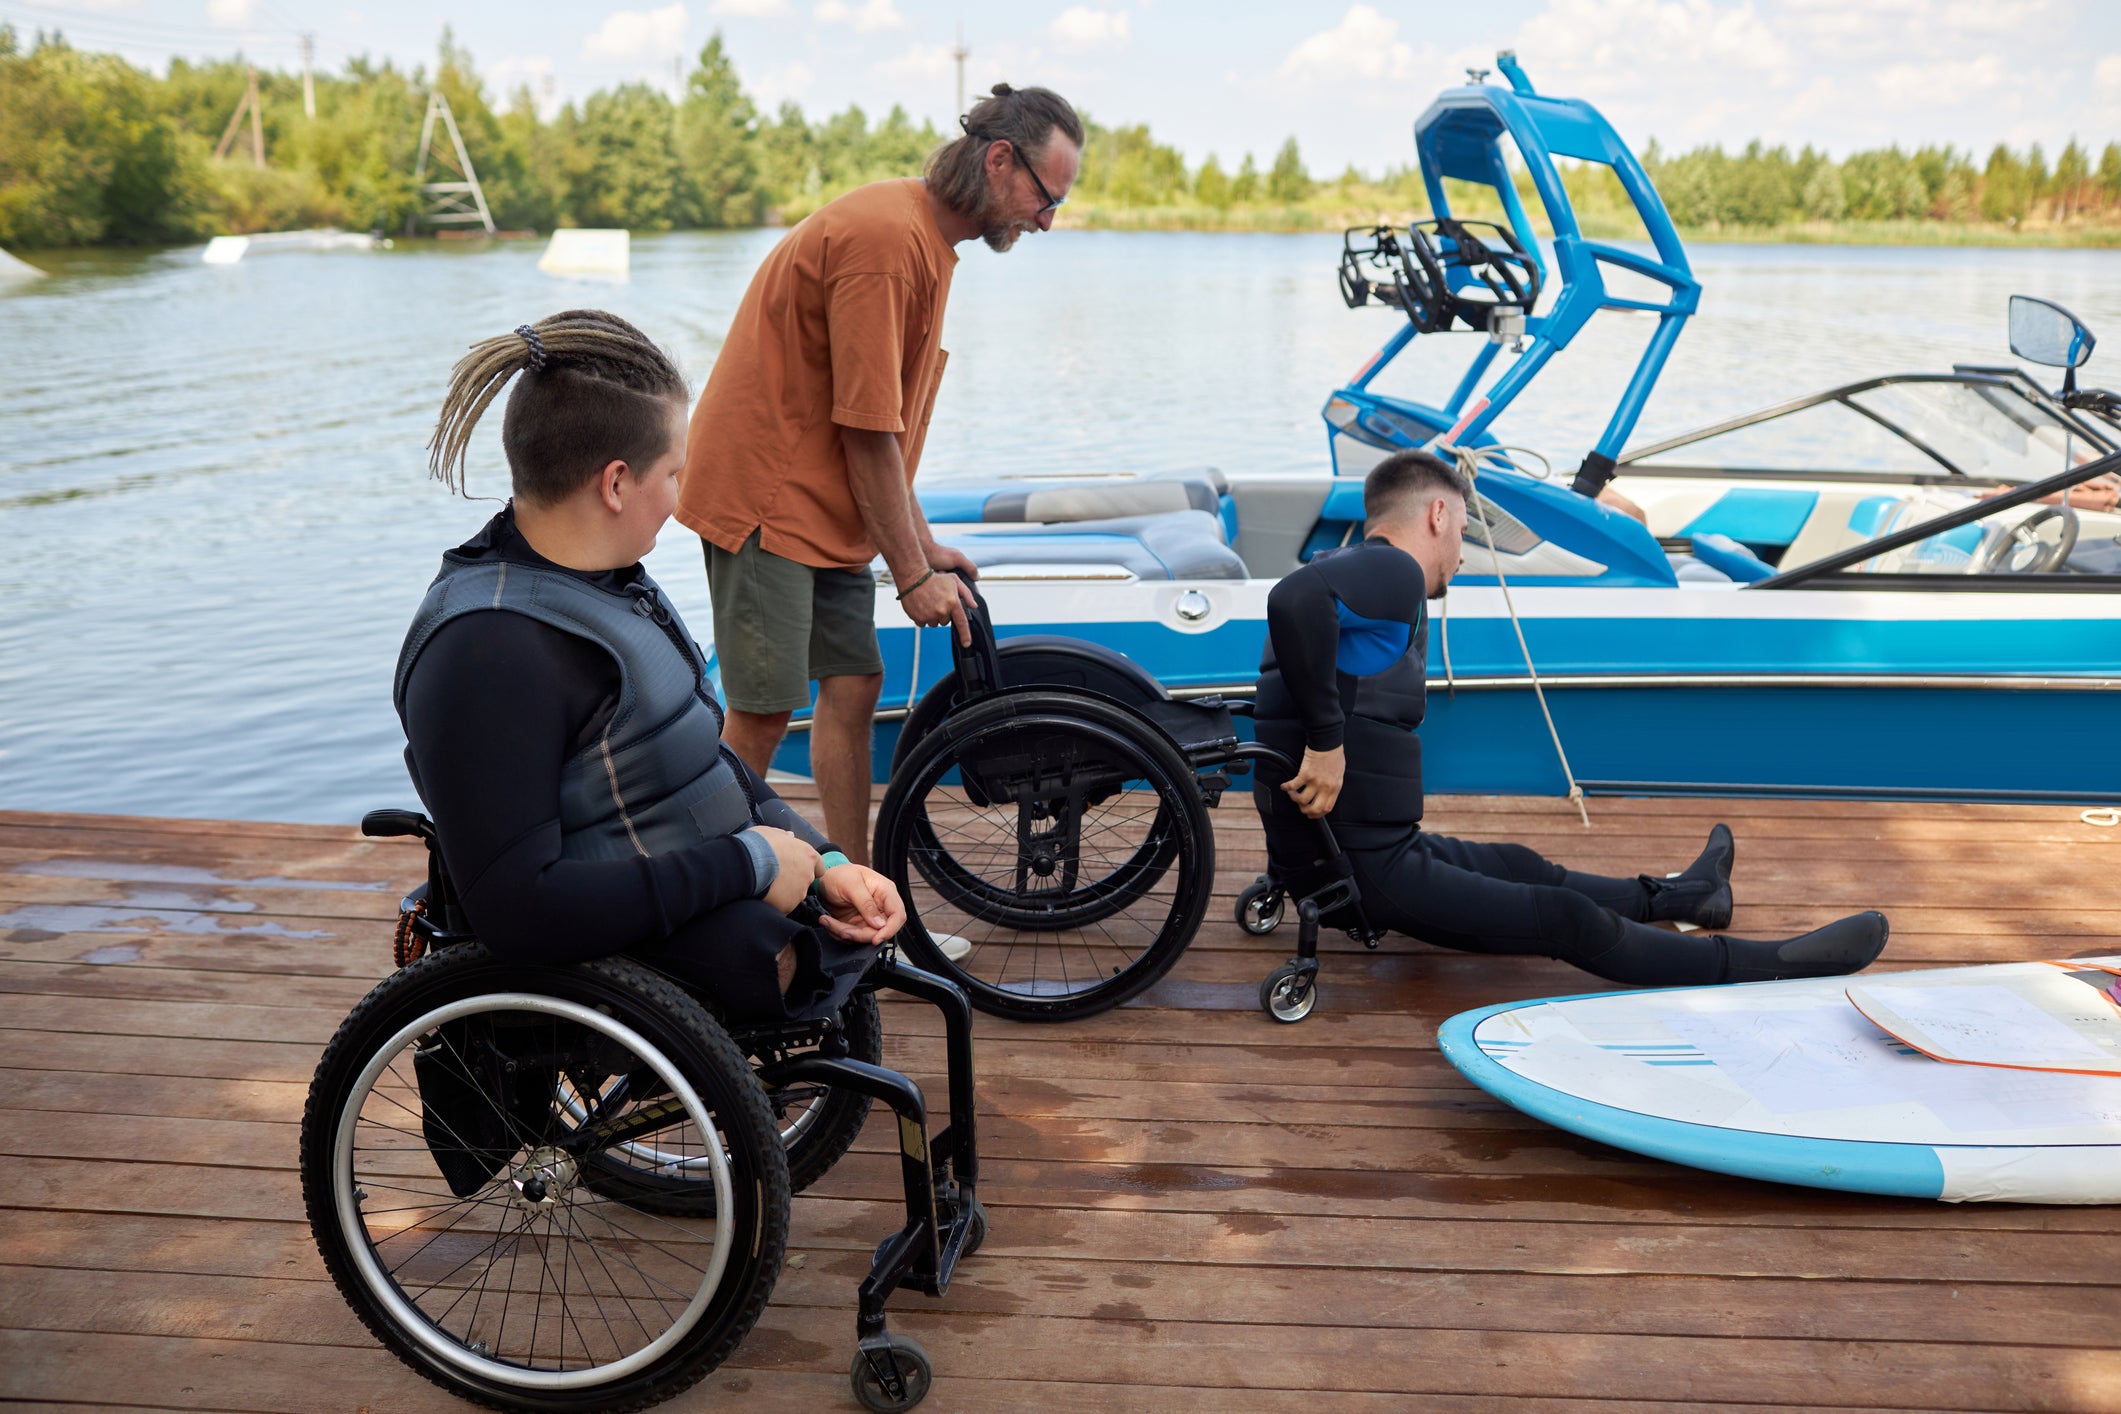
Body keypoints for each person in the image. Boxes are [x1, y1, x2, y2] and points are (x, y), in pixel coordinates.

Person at [395, 308, 905, 1023]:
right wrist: (751, 864)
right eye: (674, 473)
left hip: (686, 882)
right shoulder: (487, 650)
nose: (680, 496)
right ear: (615, 484)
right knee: (804, 962)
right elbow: (519, 909)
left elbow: (701, 763)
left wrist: (826, 862)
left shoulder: (606, 582)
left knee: (849, 948)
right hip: (596, 954)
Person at [1252, 448, 1891, 987]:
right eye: (1464, 530)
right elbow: (1291, 598)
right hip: (1367, 872)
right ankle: (1767, 967)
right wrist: (1327, 744)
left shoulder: (1349, 573)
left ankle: (1685, 897)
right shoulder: (1391, 568)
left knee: (1519, 864)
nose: (1464, 554)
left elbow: (1308, 613)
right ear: (1437, 514)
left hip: (1352, 852)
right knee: (1564, 919)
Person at [676, 83, 1084, 864]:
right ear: (1000, 161)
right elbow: (865, 429)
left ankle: (853, 883)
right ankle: (703, 885)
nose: (1046, 220)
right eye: (1046, 198)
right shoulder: (887, 243)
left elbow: (887, 424)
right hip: (766, 496)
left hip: (828, 500)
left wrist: (921, 543)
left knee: (856, 681)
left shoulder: (929, 238)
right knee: (761, 711)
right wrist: (910, 575)